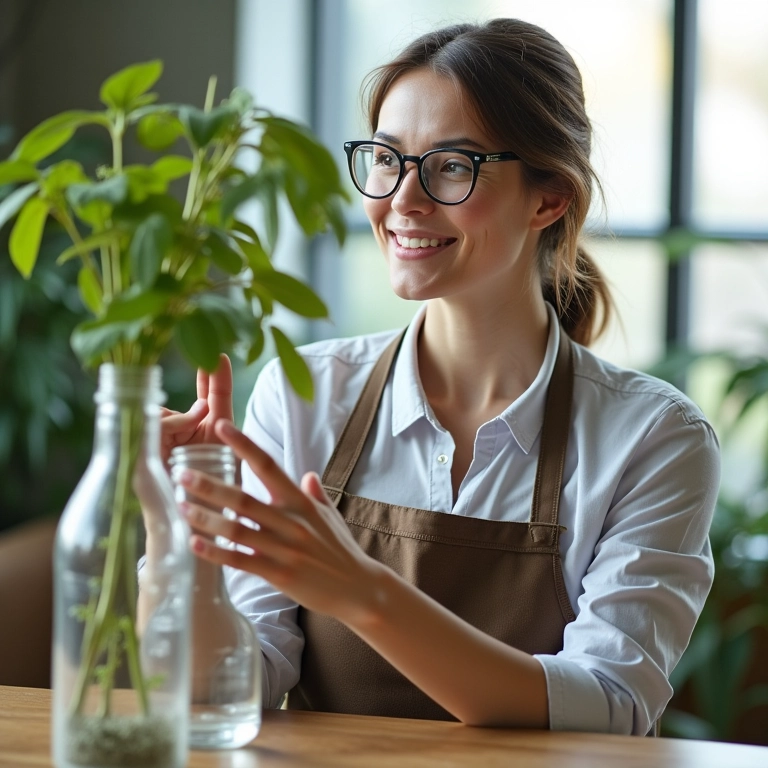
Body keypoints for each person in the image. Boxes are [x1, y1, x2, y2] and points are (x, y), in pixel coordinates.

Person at [161, 18, 719, 735]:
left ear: (549, 199)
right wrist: (171, 527)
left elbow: (609, 707)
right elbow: (230, 688)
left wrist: (365, 594)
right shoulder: (305, 395)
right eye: (386, 159)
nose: (403, 199)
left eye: (452, 165)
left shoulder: (654, 438)